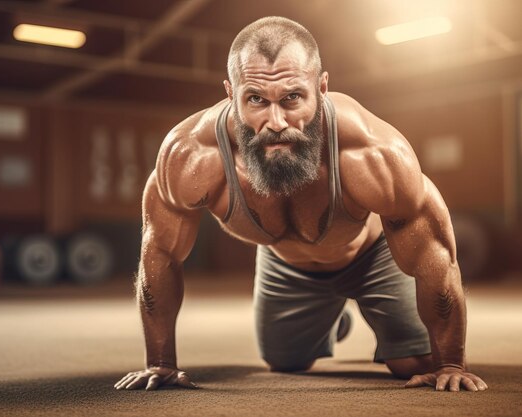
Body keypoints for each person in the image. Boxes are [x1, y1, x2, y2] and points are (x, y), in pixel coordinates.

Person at [114, 16, 488, 392]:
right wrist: (160, 363)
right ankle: (332, 319)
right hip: (285, 266)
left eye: (292, 97)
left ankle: (373, 317)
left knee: (413, 363)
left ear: (321, 87)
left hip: (372, 255)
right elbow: (160, 253)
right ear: (231, 93)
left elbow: (435, 256)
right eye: (256, 100)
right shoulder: (193, 155)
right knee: (286, 362)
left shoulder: (372, 151)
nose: (276, 121)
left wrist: (450, 363)